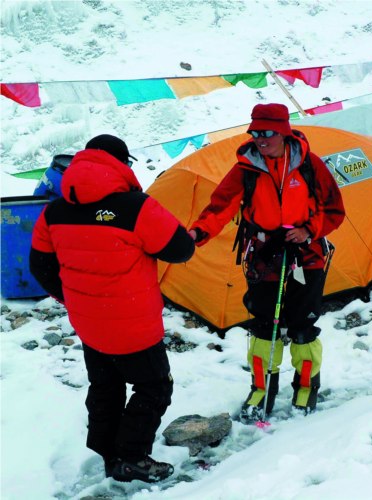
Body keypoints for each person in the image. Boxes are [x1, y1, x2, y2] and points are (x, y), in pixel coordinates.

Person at [30, 134, 195, 482]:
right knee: (154, 387)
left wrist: (72, 297)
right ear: (120, 164)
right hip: (135, 324)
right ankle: (133, 456)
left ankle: (109, 453)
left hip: (89, 324)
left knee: (105, 385)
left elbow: (39, 266)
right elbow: (180, 250)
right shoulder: (136, 206)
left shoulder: (54, 210)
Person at [189, 103, 345, 422]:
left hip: (307, 253)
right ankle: (261, 389)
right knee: (264, 325)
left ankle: (305, 388)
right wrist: (197, 232)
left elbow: (334, 210)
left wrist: (308, 230)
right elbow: (220, 207)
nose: (260, 138)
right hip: (263, 254)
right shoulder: (246, 168)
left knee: (303, 325)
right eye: (255, 132)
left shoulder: (310, 166)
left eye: (267, 132)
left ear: (284, 132)